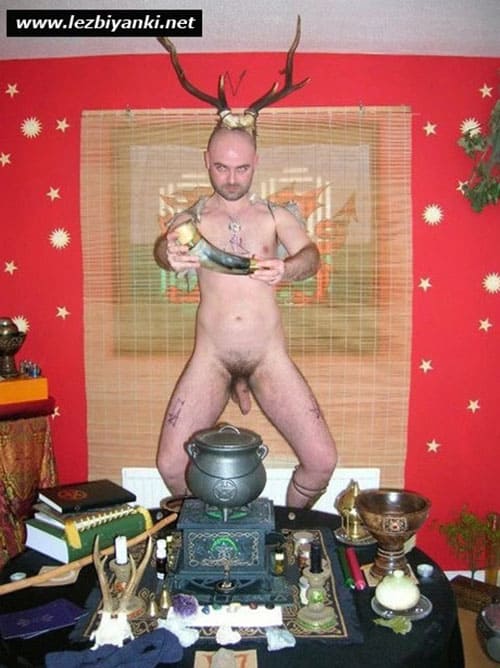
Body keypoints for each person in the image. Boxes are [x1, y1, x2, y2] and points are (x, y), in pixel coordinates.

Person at [154, 125, 337, 508]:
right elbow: (164, 248)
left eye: (242, 168)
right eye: (221, 167)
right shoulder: (191, 220)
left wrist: (287, 268)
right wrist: (167, 257)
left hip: (268, 357)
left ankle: (289, 530)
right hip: (212, 358)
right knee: (171, 466)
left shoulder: (274, 216)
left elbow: (311, 256)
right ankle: (207, 530)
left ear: (256, 163)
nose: (232, 179)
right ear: (207, 162)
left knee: (321, 463)